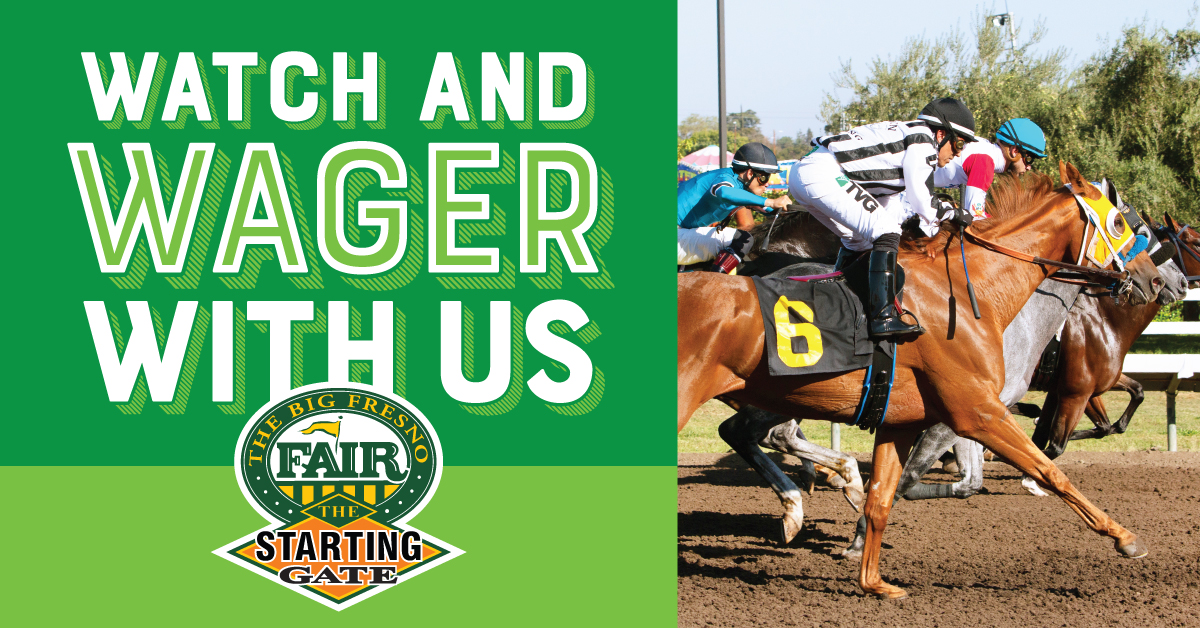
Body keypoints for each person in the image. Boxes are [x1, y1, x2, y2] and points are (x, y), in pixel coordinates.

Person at [787, 97, 978, 339]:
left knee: (859, 241)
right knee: (886, 231)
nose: (957, 155)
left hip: (806, 172)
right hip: (821, 172)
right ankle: (883, 318)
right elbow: (922, 199)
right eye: (959, 145)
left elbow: (890, 208)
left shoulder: (909, 140)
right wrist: (954, 213)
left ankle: (842, 302)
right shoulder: (924, 141)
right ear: (941, 134)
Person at [677, 142, 791, 273]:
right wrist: (770, 201)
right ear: (749, 174)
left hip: (681, 233)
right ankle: (715, 283)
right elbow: (724, 192)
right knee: (741, 239)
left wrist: (784, 211)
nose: (767, 184)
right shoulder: (726, 179)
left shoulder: (738, 186)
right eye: (764, 177)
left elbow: (767, 210)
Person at [936, 117, 1047, 219]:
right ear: (1015, 151)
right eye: (1029, 159)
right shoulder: (985, 162)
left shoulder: (985, 150)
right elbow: (975, 216)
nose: (1028, 167)